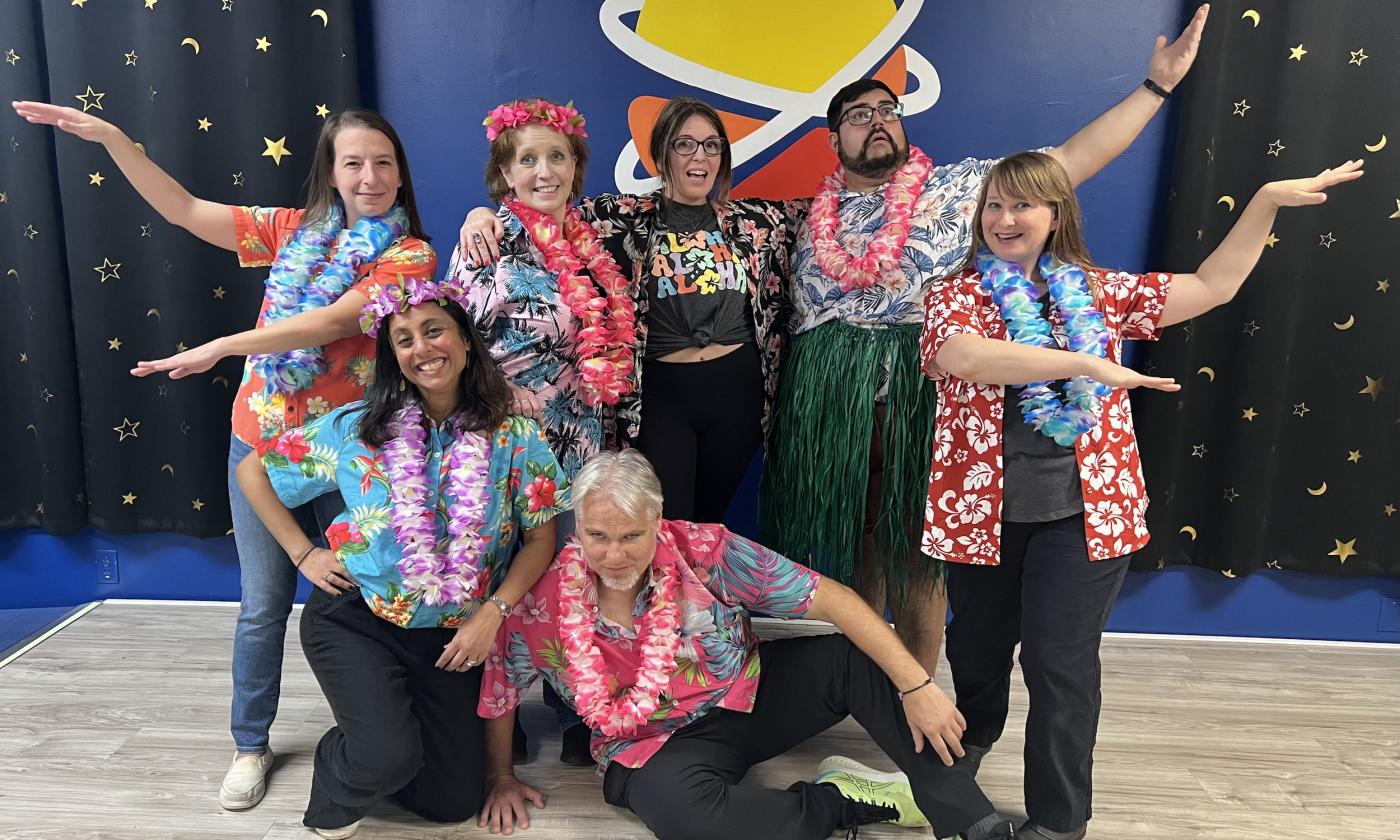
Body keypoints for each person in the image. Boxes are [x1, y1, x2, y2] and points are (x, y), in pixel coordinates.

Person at [921, 151, 1363, 840]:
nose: (1004, 219)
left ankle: (1059, 822)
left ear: (1055, 213)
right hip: (980, 516)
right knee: (976, 652)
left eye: (1022, 205)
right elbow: (968, 357)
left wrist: (1267, 201)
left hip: (1087, 516)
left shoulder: (1099, 291)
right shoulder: (953, 292)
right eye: (993, 205)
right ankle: (965, 759)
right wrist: (1086, 363)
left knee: (1057, 660)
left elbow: (1213, 285)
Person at [9, 101, 436, 810]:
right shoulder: (292, 230)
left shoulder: (409, 254)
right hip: (263, 441)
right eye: (354, 162)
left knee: (372, 591)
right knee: (263, 603)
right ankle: (250, 744)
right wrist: (114, 139)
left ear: (400, 174)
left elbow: (336, 320)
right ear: (331, 173)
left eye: (383, 162)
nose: (370, 176)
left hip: (349, 450)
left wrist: (228, 345)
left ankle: (381, 737)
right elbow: (181, 208)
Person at [760, 5, 1211, 676]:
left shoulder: (965, 186)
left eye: (888, 109)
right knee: (849, 553)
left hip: (930, 391)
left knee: (919, 556)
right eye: (859, 115)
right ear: (833, 140)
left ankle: (918, 704)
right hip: (829, 408)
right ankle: (854, 690)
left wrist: (1156, 87)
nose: (878, 120)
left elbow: (1070, 161)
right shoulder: (797, 218)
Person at [474, 450, 1018, 840]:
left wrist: (918, 684)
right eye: (598, 536)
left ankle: (974, 822)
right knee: (679, 814)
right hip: (654, 743)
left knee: (853, 658)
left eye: (630, 536)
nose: (613, 555)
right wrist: (501, 777)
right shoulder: (544, 601)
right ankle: (839, 803)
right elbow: (500, 684)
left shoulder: (707, 550)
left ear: (657, 522)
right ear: (578, 529)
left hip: (747, 695)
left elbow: (836, 601)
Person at [236, 283, 570, 838]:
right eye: (404, 339)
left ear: (463, 340)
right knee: (383, 756)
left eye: (433, 330)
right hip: (357, 618)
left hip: (451, 638)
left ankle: (391, 736)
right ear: (395, 357)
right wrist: (302, 552)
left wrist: (494, 611)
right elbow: (252, 470)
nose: (422, 348)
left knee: (452, 802)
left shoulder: (516, 437)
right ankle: (349, 768)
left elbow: (540, 541)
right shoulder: (357, 428)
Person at [460, 97, 807, 525]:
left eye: (712, 145)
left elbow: (828, 211)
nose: (700, 156)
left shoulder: (758, 221)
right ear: (661, 154)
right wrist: (479, 214)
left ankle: (698, 592)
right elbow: (538, 206)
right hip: (661, 397)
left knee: (710, 523)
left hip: (738, 394)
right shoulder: (616, 217)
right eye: (685, 144)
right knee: (665, 522)